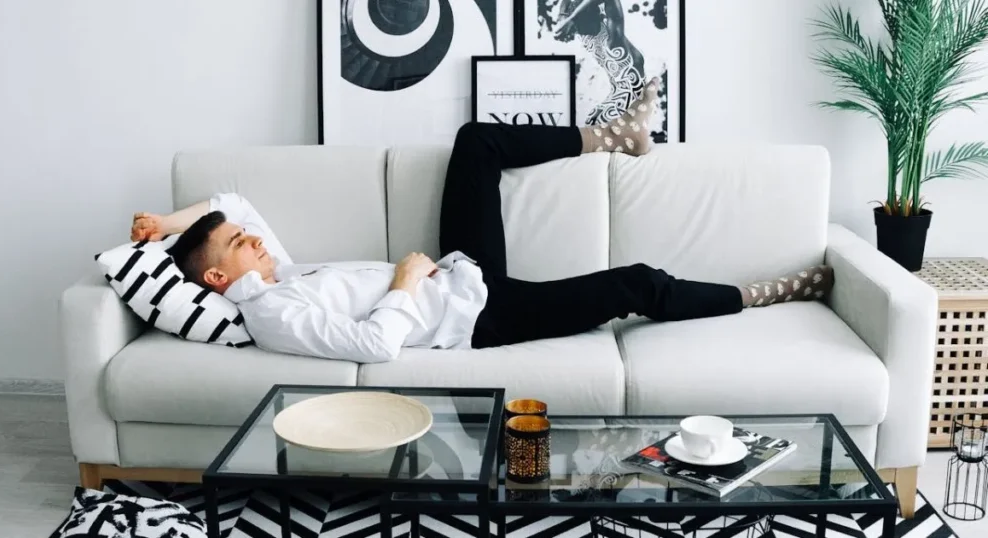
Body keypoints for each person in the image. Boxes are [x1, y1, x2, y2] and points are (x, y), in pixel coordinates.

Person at [130, 85, 833, 364]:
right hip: (478, 317)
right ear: (221, 278)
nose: (252, 236)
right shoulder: (274, 313)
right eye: (237, 246)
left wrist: (168, 221)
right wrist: (405, 280)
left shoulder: (273, 270)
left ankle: (614, 136)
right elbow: (374, 346)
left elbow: (234, 200)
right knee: (637, 284)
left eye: (244, 235)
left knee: (477, 141)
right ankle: (761, 295)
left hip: (463, 274)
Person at [551, 0, 647, 126]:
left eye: (574, 26)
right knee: (592, 123)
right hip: (624, 93)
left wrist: (571, 18)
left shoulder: (612, 40)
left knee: (593, 122)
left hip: (632, 94)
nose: (574, 32)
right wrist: (562, 15)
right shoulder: (592, 40)